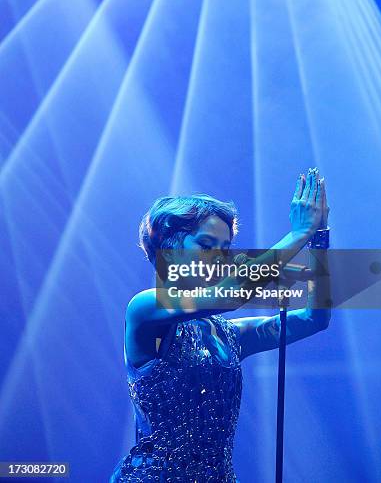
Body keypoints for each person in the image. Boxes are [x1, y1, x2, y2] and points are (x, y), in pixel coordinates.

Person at [110, 167, 331, 482]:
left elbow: (314, 319)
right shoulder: (145, 307)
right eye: (206, 244)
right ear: (169, 250)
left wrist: (319, 239)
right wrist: (298, 235)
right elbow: (231, 296)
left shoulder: (228, 335)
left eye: (225, 248)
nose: (219, 257)